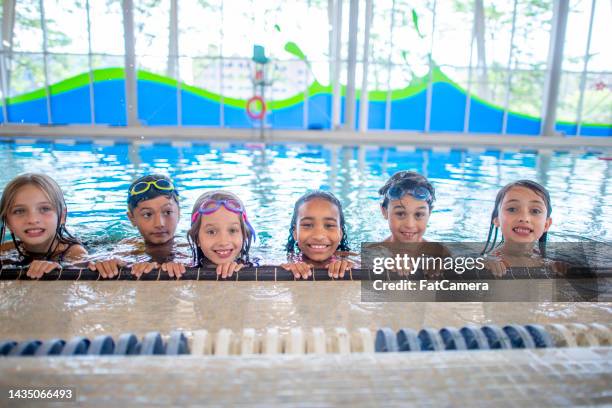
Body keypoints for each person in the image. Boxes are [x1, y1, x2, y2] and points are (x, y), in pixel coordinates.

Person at [89, 174, 187, 279]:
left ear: (179, 213)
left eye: (167, 212)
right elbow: (109, 259)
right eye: (147, 214)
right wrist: (109, 264)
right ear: (132, 219)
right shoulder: (128, 247)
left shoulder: (189, 248)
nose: (159, 224)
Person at [0, 173, 87, 278]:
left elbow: (79, 276)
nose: (32, 220)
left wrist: (59, 267)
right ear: (8, 222)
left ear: (62, 216)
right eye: (19, 211)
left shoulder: (75, 253)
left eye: (45, 209)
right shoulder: (6, 249)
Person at [482, 180, 553, 277]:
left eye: (535, 211)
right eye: (512, 209)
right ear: (497, 219)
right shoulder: (489, 263)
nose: (524, 218)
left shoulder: (546, 261)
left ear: (546, 224)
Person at [282, 190, 354, 279]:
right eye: (307, 225)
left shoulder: (349, 259)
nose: (319, 236)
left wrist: (350, 266)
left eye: (329, 225)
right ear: (295, 232)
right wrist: (286, 267)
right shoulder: (288, 259)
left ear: (340, 233)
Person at [187, 190, 256, 278]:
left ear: (244, 235)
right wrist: (170, 267)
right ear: (197, 238)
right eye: (211, 232)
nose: (223, 242)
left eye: (232, 230)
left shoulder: (255, 263)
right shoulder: (185, 264)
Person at [378, 171, 435, 243]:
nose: (410, 225)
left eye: (418, 214)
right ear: (384, 212)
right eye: (400, 213)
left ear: (429, 213)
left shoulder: (441, 253)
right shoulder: (371, 253)